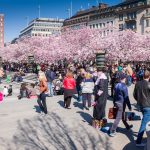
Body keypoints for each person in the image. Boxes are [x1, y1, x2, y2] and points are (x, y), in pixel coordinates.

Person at [133, 70, 150, 147]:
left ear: (143, 76)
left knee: (146, 121)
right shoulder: (149, 84)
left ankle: (146, 136)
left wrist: (139, 101)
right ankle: (138, 141)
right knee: (144, 123)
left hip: (141, 105)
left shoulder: (138, 84)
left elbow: (134, 94)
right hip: (147, 106)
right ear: (149, 77)